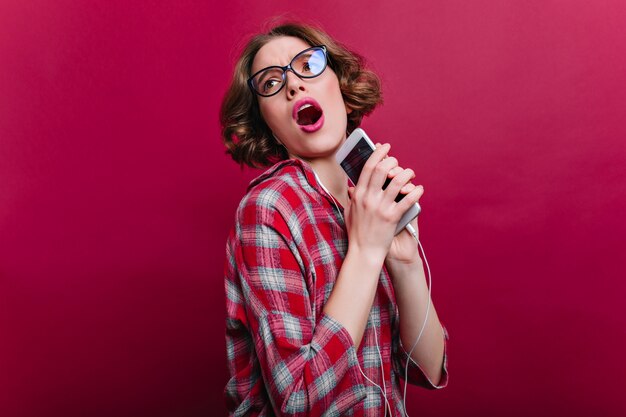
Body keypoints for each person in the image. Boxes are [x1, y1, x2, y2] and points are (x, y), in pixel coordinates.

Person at [220, 21, 448, 416]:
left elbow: (425, 368)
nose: (293, 85)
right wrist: (365, 249)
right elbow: (299, 403)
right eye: (272, 83)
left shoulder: (371, 204)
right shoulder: (269, 208)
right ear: (269, 125)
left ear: (341, 89)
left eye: (308, 66)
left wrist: (404, 261)